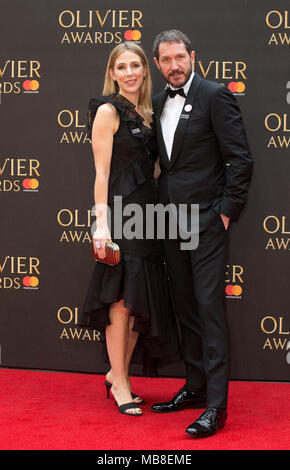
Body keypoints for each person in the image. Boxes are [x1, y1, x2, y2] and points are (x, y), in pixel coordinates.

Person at [151, 30, 253, 437]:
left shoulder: (215, 95)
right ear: (157, 65)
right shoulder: (157, 102)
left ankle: (216, 406)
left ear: (192, 56)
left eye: (180, 57)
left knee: (210, 309)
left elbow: (240, 159)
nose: (174, 65)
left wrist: (226, 212)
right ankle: (195, 388)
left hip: (207, 222)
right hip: (168, 222)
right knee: (185, 306)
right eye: (166, 59)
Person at [78, 42, 180, 417]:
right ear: (113, 72)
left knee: (138, 303)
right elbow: (101, 173)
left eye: (136, 65)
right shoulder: (107, 110)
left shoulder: (148, 113)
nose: (130, 72)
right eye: (122, 67)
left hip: (148, 214)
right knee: (120, 303)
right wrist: (100, 225)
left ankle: (113, 372)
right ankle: (121, 384)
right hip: (120, 214)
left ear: (144, 69)